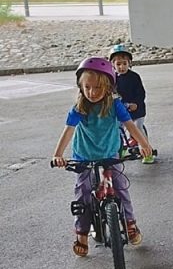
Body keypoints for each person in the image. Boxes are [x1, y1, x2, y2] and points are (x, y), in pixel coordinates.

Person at [52, 57, 153, 256]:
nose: (92, 92)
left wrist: (144, 144)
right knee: (83, 192)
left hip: (109, 151)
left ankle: (130, 223)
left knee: (121, 187)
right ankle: (81, 232)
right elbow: (68, 130)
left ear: (108, 87)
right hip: (84, 155)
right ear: (80, 87)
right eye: (87, 87)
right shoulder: (80, 107)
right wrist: (58, 155)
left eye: (97, 87)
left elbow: (130, 125)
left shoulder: (115, 105)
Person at [109, 43, 154, 165]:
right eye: (118, 64)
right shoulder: (112, 79)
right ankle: (120, 149)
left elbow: (141, 93)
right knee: (117, 130)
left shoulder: (134, 77)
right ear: (113, 65)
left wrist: (136, 103)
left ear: (129, 63)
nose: (122, 67)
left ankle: (146, 151)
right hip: (121, 110)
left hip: (136, 111)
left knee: (138, 129)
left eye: (124, 63)